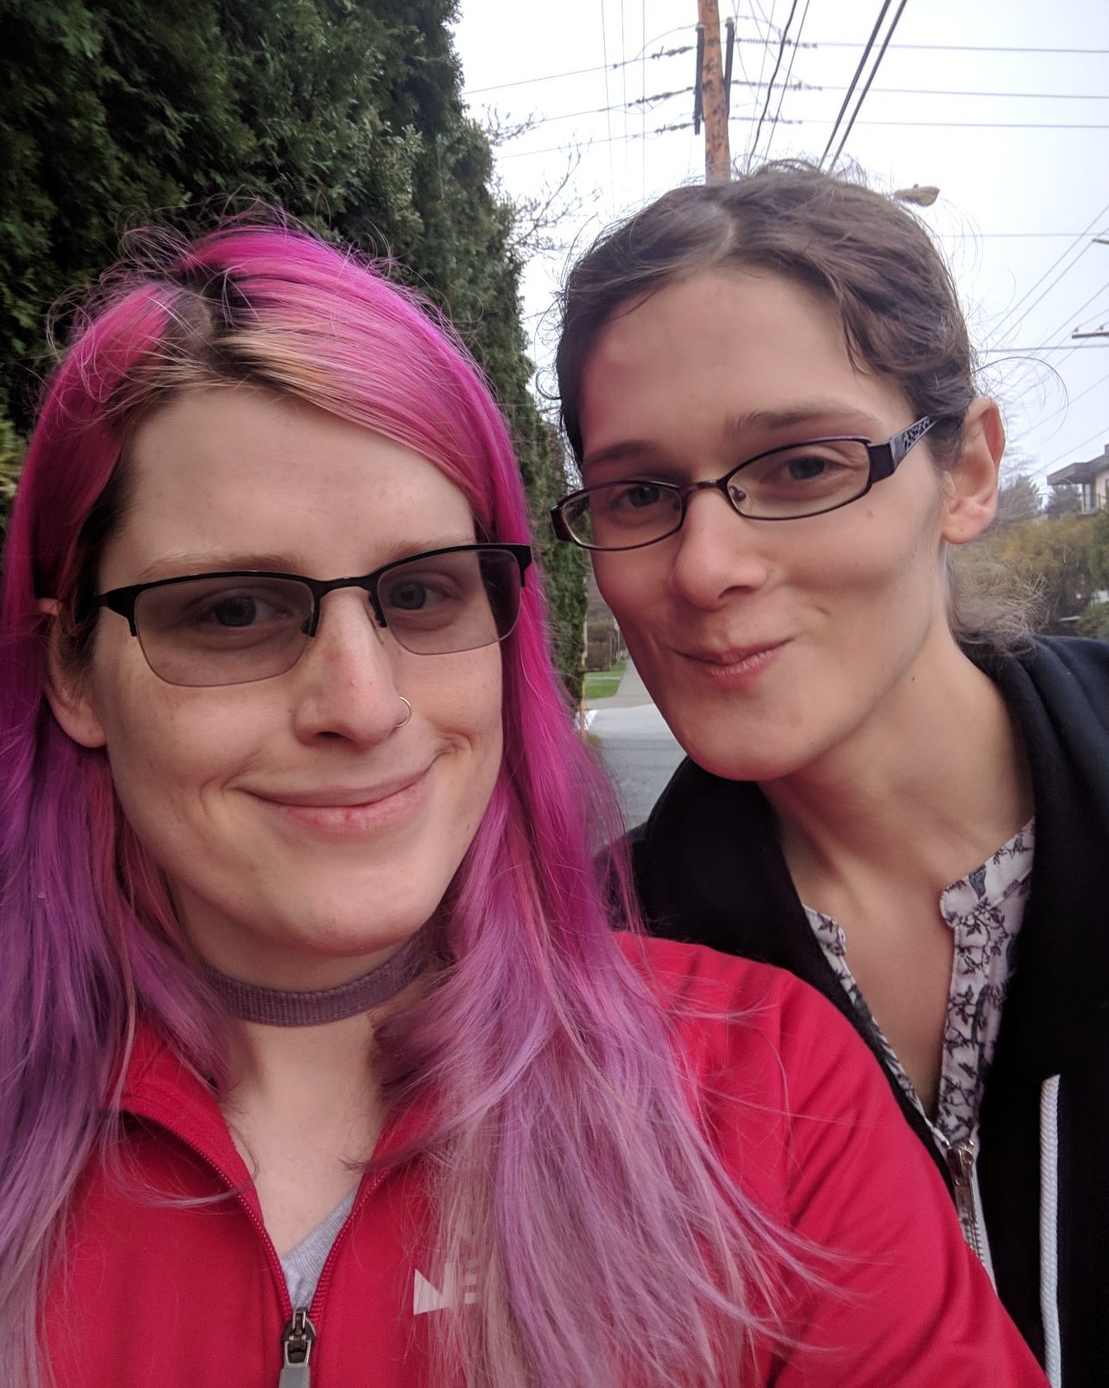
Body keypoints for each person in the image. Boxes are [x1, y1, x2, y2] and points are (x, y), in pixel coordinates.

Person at [0, 221, 1045, 1388]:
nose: (363, 702)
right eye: (233, 609)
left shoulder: (762, 1087)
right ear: (75, 670)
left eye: (423, 591)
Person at [551, 160, 1109, 1388]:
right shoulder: (598, 974)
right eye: (638, 492)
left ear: (963, 473)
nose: (704, 565)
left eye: (800, 465)